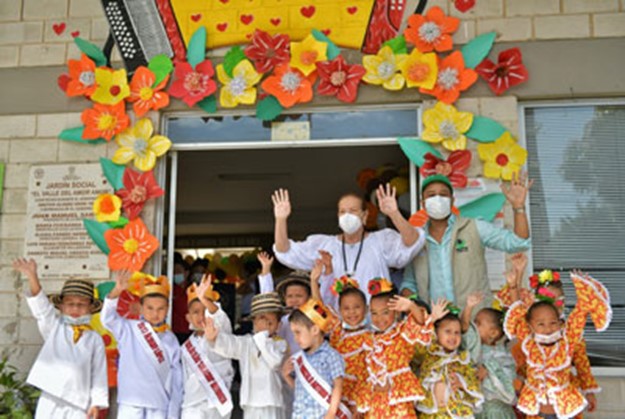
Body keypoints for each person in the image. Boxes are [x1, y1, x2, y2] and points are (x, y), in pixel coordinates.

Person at [400, 173, 532, 311]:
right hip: (435, 324)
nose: (437, 199)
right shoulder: (417, 239)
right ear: (423, 204)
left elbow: (518, 243)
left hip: (474, 322)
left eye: (443, 194)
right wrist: (413, 306)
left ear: (452, 201)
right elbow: (409, 283)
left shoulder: (474, 227)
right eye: (431, 195)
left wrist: (519, 208)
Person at [272, 184, 425, 300]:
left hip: (377, 327)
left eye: (353, 211)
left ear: (364, 216)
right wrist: (280, 219)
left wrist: (394, 213)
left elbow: (412, 241)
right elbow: (284, 250)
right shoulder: (324, 245)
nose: (347, 216)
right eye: (342, 212)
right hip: (338, 329)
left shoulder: (381, 241)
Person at [497, 254, 600, 416]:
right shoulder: (530, 333)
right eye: (546, 300)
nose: (552, 306)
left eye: (558, 301)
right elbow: (516, 310)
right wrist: (518, 274)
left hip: (563, 396)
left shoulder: (571, 333)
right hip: (533, 395)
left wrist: (589, 390)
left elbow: (582, 363)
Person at [13, 258, 108, 419]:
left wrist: (95, 402)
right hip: (51, 397)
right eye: (70, 304)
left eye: (81, 304)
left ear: (91, 308)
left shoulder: (94, 339)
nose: (75, 308)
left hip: (79, 403)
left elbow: (98, 374)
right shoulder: (54, 327)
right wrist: (32, 276)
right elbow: (41, 308)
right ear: (61, 306)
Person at [102, 271, 183, 419]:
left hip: (159, 403)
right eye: (150, 308)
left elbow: (176, 379)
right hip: (130, 401)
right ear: (141, 307)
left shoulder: (171, 339)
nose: (155, 313)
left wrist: (173, 411)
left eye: (161, 309)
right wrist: (117, 290)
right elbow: (107, 318)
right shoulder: (128, 329)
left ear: (168, 309)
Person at [354, 278, 435, 418]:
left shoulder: (401, 333)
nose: (379, 318)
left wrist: (411, 306)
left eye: (385, 312)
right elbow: (362, 373)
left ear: (396, 312)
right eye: (374, 313)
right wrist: (359, 405)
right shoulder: (367, 340)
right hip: (375, 404)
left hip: (398, 402)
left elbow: (421, 323)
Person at [204, 292, 287, 419]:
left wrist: (262, 336)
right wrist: (213, 339)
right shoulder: (247, 342)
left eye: (269, 322)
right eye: (261, 319)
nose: (265, 325)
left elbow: (275, 362)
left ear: (278, 325)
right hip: (251, 401)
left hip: (271, 401)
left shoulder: (280, 344)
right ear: (253, 322)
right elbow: (230, 345)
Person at [310, 257, 369, 411]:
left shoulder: (372, 336)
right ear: (340, 311)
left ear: (366, 309)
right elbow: (319, 309)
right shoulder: (337, 330)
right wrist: (313, 282)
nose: (352, 312)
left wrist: (360, 404)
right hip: (338, 394)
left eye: (357, 307)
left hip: (362, 398)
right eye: (346, 308)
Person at [282, 299, 348, 419]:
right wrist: (286, 376)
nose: (295, 338)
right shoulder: (298, 358)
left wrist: (331, 413)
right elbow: (302, 389)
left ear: (315, 330)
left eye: (298, 332)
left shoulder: (331, 356)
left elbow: (338, 386)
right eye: (293, 333)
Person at [416, 302, 484, 418]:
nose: (453, 337)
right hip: (432, 415)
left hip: (456, 413)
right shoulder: (429, 354)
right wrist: (432, 320)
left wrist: (462, 383)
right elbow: (421, 342)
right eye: (448, 331)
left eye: (457, 333)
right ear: (436, 333)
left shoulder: (463, 359)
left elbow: (473, 380)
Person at [181, 277, 235, 419]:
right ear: (188, 317)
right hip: (192, 404)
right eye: (196, 312)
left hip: (217, 404)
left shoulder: (222, 332)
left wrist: (206, 300)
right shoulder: (186, 347)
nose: (201, 316)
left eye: (205, 310)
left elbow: (218, 317)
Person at [461, 292, 515, 419]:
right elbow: (465, 330)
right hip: (479, 410)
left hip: (498, 412)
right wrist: (468, 308)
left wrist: (488, 368)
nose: (474, 326)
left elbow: (508, 377)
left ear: (493, 333)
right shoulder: (475, 348)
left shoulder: (504, 353)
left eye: (478, 323)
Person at [172, 253, 192, 344]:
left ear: (186, 273)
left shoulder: (193, 289)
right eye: (174, 271)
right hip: (174, 332)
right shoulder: (171, 290)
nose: (176, 274)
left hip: (190, 332)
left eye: (178, 271)